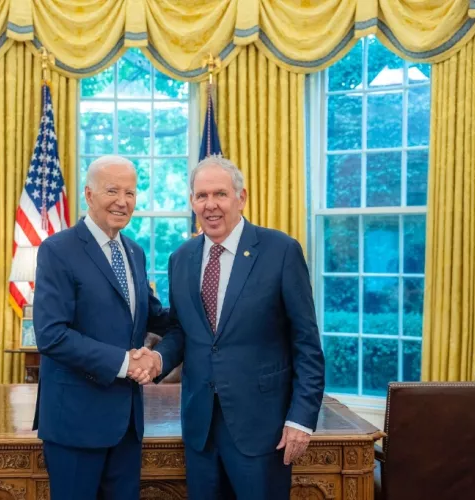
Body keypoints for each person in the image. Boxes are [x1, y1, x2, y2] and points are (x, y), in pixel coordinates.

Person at [130, 155, 325, 499]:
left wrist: (301, 419)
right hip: (200, 428)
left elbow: (306, 344)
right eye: (201, 196)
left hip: (263, 428)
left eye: (220, 194)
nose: (210, 205)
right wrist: (158, 359)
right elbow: (181, 331)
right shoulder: (181, 258)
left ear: (241, 197)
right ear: (192, 201)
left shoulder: (280, 251)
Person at [33, 155, 168, 500]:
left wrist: (209, 314)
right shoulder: (58, 250)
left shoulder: (134, 252)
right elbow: (52, 334)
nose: (123, 201)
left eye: (131, 193)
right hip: (74, 424)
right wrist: (126, 363)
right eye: (112, 191)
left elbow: (151, 316)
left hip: (126, 424)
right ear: (89, 195)